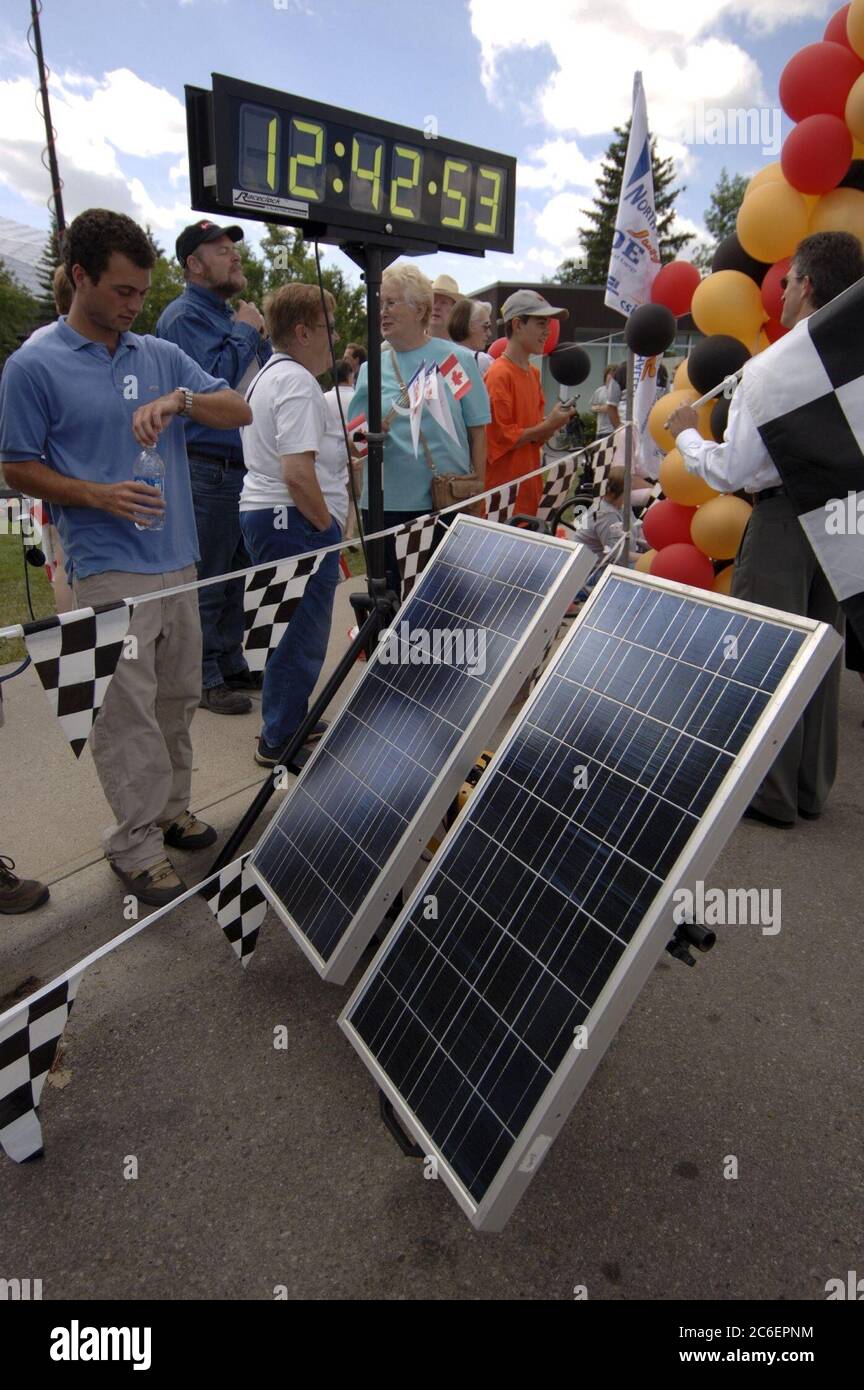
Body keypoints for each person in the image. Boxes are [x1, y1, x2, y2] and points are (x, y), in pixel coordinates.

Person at [0, 208, 252, 906]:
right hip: (108, 565)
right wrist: (95, 495)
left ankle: (172, 811)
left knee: (178, 697)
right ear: (79, 276)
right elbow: (17, 466)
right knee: (125, 714)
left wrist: (179, 402)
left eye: (143, 292)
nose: (135, 305)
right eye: (122, 292)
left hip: (179, 558)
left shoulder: (158, 355)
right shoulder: (34, 365)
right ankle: (135, 845)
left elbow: (239, 409)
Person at [667, 230, 864, 829]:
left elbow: (734, 471)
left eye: (784, 282)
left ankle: (771, 791)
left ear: (804, 285)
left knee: (770, 653)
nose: (776, 293)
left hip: (781, 518)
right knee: (822, 653)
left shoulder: (771, 368)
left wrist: (685, 433)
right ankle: (810, 787)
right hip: (845, 519)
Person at [156, 220, 271, 716]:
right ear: (193, 264)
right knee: (207, 577)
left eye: (234, 250)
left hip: (237, 465)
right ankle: (202, 677)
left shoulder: (227, 315)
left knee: (234, 573)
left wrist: (250, 333)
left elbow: (258, 381)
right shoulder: (183, 316)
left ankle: (228, 661)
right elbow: (210, 388)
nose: (235, 257)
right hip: (205, 465)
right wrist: (246, 330)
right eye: (222, 251)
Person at [239, 284, 348, 767]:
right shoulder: (300, 383)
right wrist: (327, 529)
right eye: (329, 327)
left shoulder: (267, 376)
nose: (336, 338)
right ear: (303, 331)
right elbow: (297, 471)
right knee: (299, 632)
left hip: (266, 513)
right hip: (292, 518)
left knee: (282, 623)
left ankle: (287, 717)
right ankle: (280, 735)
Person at [348, 263, 489, 593]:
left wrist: (476, 493)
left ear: (420, 309)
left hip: (442, 504)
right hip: (382, 506)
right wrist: (369, 434)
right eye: (381, 303)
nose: (383, 312)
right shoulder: (371, 370)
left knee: (441, 603)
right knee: (389, 603)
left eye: (392, 303)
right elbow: (355, 444)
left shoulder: (454, 359)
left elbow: (477, 429)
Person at [484, 289, 574, 516]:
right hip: (502, 499)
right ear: (517, 325)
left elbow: (534, 436)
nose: (548, 331)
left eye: (548, 324)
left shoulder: (533, 373)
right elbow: (501, 438)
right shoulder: (499, 374)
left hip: (527, 492)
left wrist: (553, 423)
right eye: (541, 323)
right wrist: (548, 424)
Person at [20, 265, 76, 614]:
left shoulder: (37, 341)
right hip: (52, 475)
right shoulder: (48, 345)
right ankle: (77, 641)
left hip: (47, 476)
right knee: (65, 563)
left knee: (62, 563)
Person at [571, 467, 647, 562]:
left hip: (615, 560)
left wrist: (656, 548)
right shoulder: (605, 515)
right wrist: (650, 558)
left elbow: (637, 530)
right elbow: (618, 555)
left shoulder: (623, 505)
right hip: (591, 567)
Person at [447, 297, 494, 375]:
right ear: (471, 326)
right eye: (486, 326)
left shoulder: (441, 359)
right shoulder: (482, 361)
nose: (489, 333)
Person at [590, 364, 622, 439]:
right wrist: (598, 408)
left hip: (614, 429)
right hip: (600, 430)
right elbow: (592, 406)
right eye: (609, 376)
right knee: (600, 449)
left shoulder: (620, 391)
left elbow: (619, 407)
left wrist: (608, 408)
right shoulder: (599, 391)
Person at [429, 273, 460, 340]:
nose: (436, 307)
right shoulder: (411, 343)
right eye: (433, 301)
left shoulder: (460, 349)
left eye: (443, 303)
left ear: (454, 310)